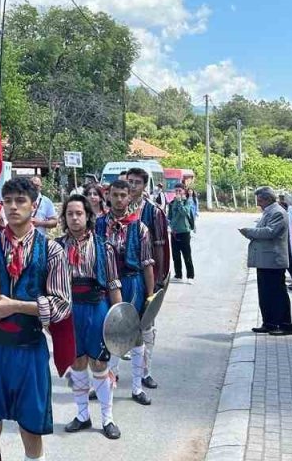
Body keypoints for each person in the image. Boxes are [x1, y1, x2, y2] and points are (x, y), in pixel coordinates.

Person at [0, 175, 72, 461]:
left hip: (28, 348)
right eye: (7, 201)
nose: (13, 207)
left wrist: (17, 306)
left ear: (34, 206)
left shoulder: (52, 250)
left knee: (31, 429)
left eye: (20, 201)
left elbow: (61, 305)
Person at [57, 194, 122, 440]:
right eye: (70, 214)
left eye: (79, 213)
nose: (74, 218)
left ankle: (108, 418)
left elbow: (114, 284)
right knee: (77, 362)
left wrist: (120, 320)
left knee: (100, 364)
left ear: (88, 216)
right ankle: (83, 415)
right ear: (64, 218)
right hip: (70, 311)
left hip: (97, 308)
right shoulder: (57, 247)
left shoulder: (104, 246)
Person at [99, 179, 157, 405]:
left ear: (130, 197)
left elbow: (147, 263)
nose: (119, 199)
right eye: (115, 195)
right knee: (109, 334)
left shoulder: (139, 227)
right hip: (106, 284)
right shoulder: (99, 224)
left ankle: (136, 387)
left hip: (133, 283)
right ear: (109, 196)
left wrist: (150, 295)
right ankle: (106, 384)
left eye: (124, 195)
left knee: (135, 334)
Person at [125, 167, 169, 391]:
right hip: (121, 278)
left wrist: (158, 281)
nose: (132, 186)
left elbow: (160, 246)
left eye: (137, 182)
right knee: (117, 325)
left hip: (146, 277)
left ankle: (145, 372)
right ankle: (106, 376)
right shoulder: (117, 209)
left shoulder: (153, 212)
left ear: (145, 186)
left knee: (145, 325)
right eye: (129, 181)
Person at [240, 187, 292, 336]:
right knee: (265, 293)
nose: (258, 203)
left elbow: (270, 232)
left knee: (277, 293)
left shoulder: (277, 212)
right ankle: (269, 323)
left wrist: (249, 232)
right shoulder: (268, 212)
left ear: (268, 199)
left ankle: (285, 325)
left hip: (274, 260)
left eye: (260, 200)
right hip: (265, 260)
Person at [167, 187, 197, 283]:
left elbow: (184, 212)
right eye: (176, 191)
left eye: (180, 191)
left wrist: (180, 202)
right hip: (174, 232)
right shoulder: (172, 203)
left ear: (184, 191)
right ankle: (178, 275)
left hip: (184, 231)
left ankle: (190, 276)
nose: (178, 192)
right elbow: (169, 216)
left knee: (186, 254)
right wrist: (169, 225)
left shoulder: (187, 202)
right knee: (176, 255)